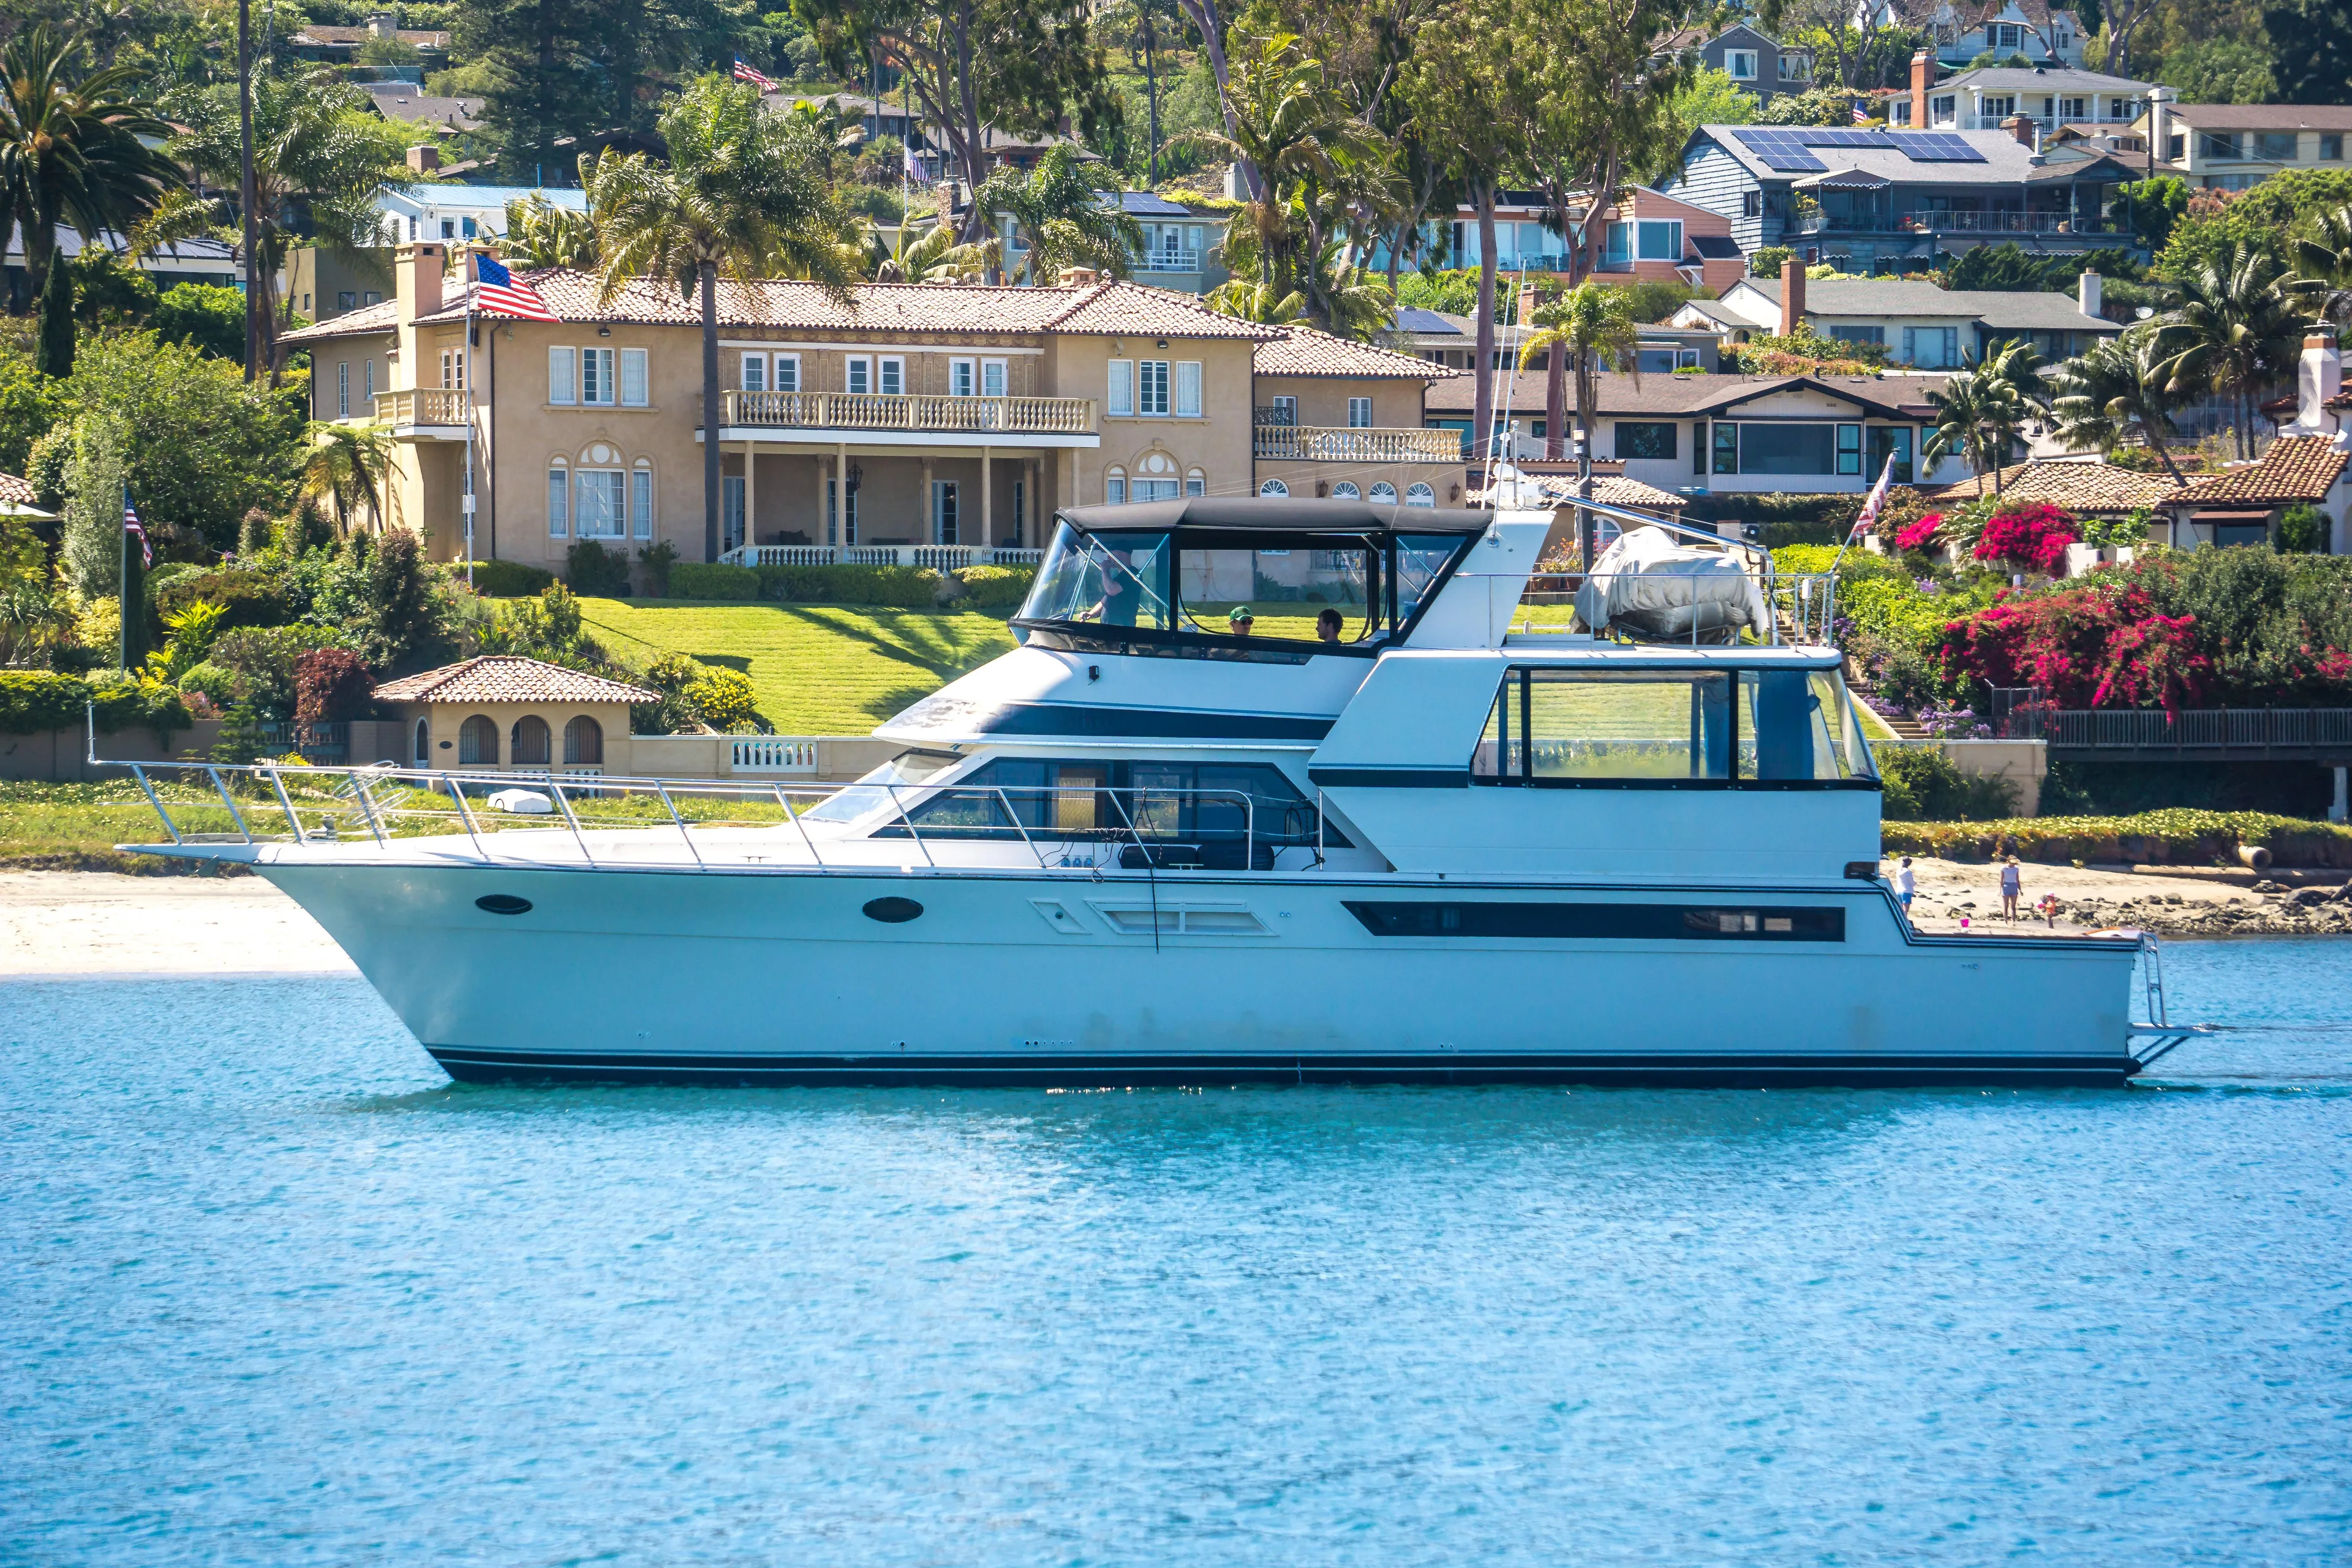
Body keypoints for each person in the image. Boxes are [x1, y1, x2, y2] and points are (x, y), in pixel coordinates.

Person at [1893, 856, 1916, 921]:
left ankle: (1900, 919)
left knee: (1900, 907)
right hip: (1906, 891)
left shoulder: (1899, 870)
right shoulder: (1908, 872)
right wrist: (1915, 883)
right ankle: (1905, 920)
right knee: (1906, 909)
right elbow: (1912, 883)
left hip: (1899, 890)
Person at [2000, 855, 2022, 921]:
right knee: (2006, 906)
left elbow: (2017, 879)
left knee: (2013, 907)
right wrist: (2000, 889)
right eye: (2013, 862)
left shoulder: (2016, 868)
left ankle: (2013, 921)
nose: (2014, 864)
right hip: (2006, 886)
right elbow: (2001, 879)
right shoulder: (2003, 868)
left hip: (2014, 886)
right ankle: (2006, 922)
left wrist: (2020, 890)